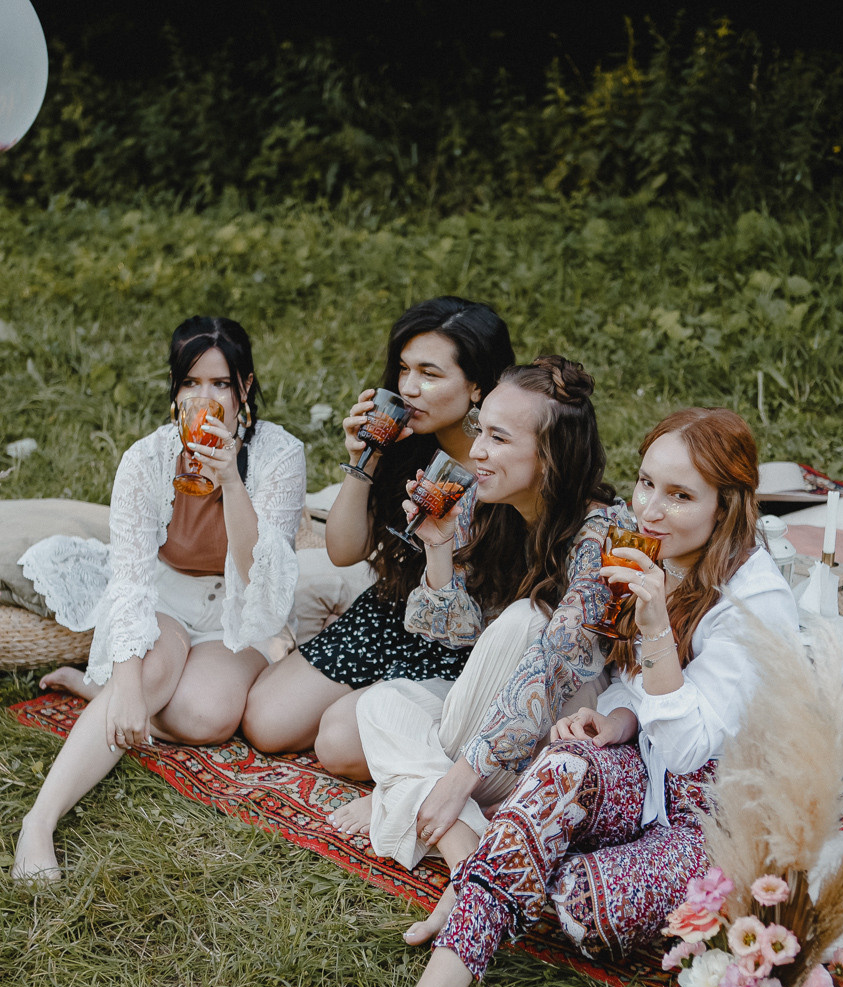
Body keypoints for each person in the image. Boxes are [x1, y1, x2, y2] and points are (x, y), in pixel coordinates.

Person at [330, 406, 801, 987]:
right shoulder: (651, 551)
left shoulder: (755, 603)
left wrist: (654, 628)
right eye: (647, 484)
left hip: (710, 822)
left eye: (679, 496)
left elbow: (692, 745)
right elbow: (625, 685)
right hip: (641, 777)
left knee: (583, 905)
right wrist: (616, 719)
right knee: (562, 766)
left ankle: (491, 852)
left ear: (726, 506)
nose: (651, 509)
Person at [331, 356, 625, 944]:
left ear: (550, 456)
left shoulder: (602, 535)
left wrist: (457, 780)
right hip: (496, 728)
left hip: (564, 729)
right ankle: (465, 847)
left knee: (525, 621)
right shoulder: (484, 504)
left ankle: (413, 795)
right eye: (479, 431)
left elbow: (552, 665)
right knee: (379, 704)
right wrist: (438, 549)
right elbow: (454, 634)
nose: (478, 451)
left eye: (499, 438)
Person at [13, 315, 306, 881]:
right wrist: (128, 681)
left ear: (245, 387)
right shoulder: (146, 459)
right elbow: (130, 581)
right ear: (175, 389)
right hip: (166, 596)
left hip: (240, 608)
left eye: (220, 384)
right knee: (146, 677)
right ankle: (39, 822)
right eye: (191, 383)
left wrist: (231, 481)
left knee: (206, 715)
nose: (205, 399)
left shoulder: (280, 455)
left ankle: (101, 694)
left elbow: (259, 577)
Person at [241, 296, 515, 771]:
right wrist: (363, 460)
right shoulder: (408, 446)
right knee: (265, 723)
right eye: (404, 369)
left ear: (477, 386)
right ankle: (363, 694)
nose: (408, 388)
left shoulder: (506, 462)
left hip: (465, 641)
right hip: (393, 611)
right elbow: (344, 551)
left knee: (339, 742)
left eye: (430, 374)